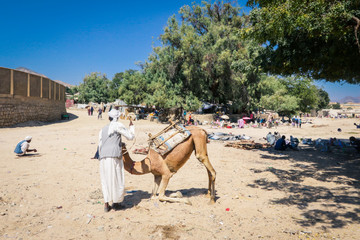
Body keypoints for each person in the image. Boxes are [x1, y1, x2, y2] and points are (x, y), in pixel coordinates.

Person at [98, 109, 135, 212]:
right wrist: (131, 126)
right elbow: (130, 137)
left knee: (105, 180)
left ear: (109, 117)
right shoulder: (118, 125)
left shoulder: (103, 129)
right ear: (117, 117)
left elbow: (100, 145)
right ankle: (116, 203)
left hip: (103, 157)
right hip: (114, 156)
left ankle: (106, 204)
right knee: (116, 179)